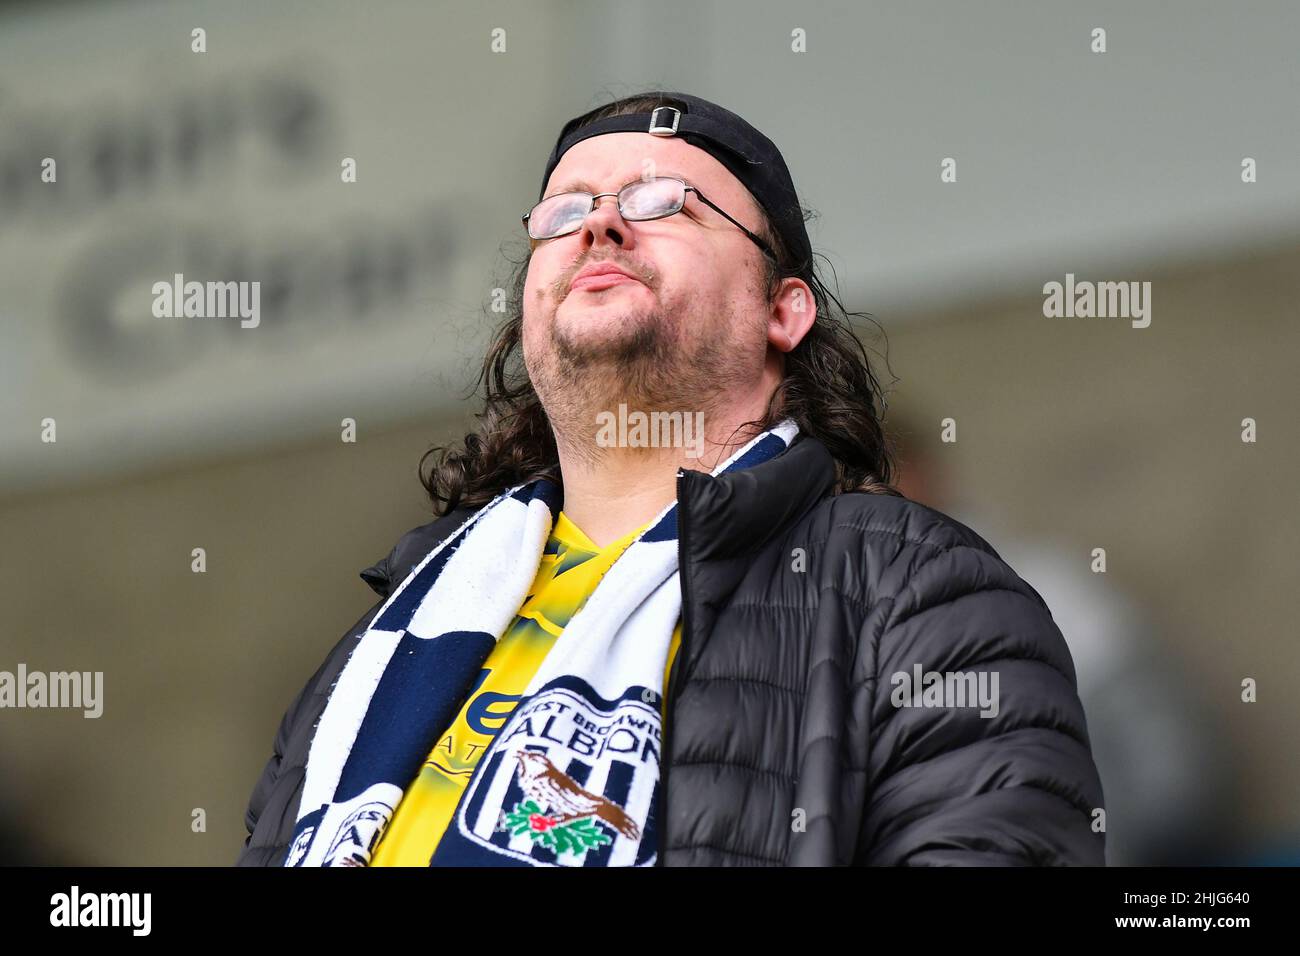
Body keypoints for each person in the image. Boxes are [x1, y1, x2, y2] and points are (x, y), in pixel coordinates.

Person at [236, 91, 1105, 867]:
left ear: (782, 309)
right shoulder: (383, 635)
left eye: (663, 202)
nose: (599, 227)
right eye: (564, 212)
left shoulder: (917, 589)